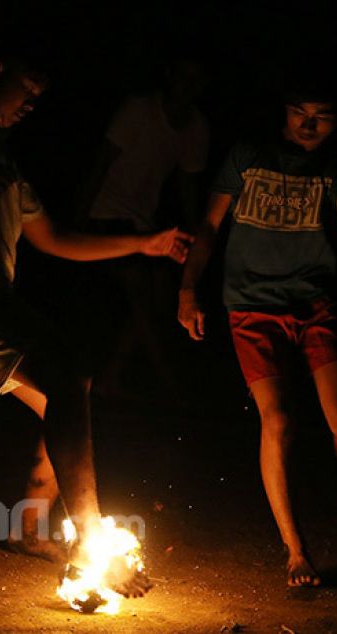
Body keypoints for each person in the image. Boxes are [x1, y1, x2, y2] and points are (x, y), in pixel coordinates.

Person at [0, 43, 190, 593]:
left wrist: (146, 243)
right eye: (29, 84)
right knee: (70, 379)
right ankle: (92, 542)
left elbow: (56, 239)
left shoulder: (5, 162)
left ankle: (27, 529)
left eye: (43, 92)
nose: (34, 99)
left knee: (62, 399)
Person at [175, 73, 337, 587]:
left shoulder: (331, 166)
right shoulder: (248, 154)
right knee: (279, 420)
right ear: (284, 112)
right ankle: (295, 550)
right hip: (251, 307)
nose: (308, 125)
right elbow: (211, 225)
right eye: (299, 112)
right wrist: (188, 289)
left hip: (313, 302)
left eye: (322, 115)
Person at [79, 48, 210, 401]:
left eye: (196, 79)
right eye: (182, 76)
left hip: (143, 224)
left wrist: (196, 234)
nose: (188, 85)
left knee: (155, 291)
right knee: (140, 288)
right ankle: (170, 383)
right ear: (169, 75)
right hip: (105, 215)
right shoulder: (138, 110)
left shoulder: (195, 127)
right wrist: (78, 222)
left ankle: (115, 376)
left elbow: (187, 186)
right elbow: (101, 163)